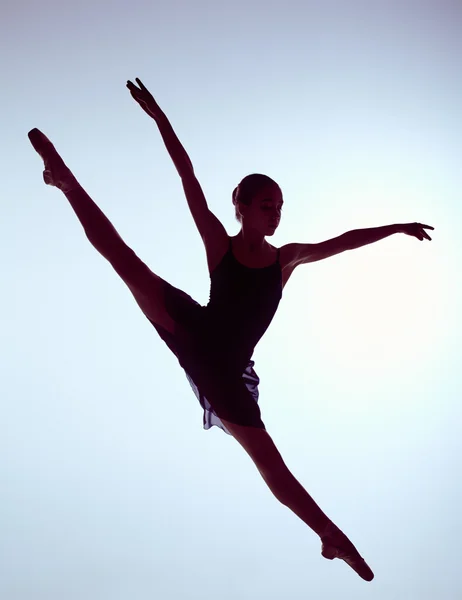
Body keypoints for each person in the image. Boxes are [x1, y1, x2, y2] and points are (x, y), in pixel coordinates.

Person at [28, 77, 434, 582]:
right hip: (194, 330)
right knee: (126, 261)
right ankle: (66, 181)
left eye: (281, 205)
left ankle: (329, 533)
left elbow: (344, 241)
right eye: (267, 203)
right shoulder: (220, 243)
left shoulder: (286, 260)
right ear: (240, 205)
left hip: (226, 372)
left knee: (271, 464)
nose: (277, 211)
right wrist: (160, 120)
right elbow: (188, 177)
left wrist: (393, 227)